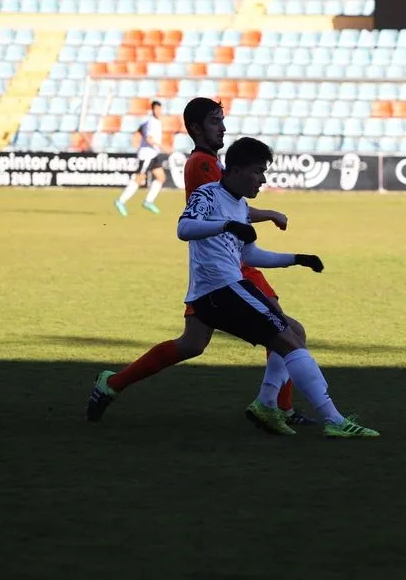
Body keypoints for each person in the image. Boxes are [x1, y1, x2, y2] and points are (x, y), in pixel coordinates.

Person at [87, 98, 314, 425]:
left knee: (193, 343)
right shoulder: (202, 164)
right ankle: (280, 407)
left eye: (222, 120)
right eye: (214, 121)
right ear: (196, 128)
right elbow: (226, 208)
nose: (222, 127)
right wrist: (270, 213)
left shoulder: (209, 162)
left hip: (220, 263)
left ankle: (112, 384)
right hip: (227, 266)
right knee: (285, 330)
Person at [176, 137, 378, 438]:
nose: (263, 179)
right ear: (236, 170)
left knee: (294, 331)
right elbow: (184, 228)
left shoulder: (240, 206)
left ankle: (267, 403)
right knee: (288, 341)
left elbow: (249, 256)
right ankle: (334, 420)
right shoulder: (207, 194)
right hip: (219, 290)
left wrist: (296, 259)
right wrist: (225, 225)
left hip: (224, 291)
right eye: (258, 171)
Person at [115, 100, 168, 216]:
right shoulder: (151, 123)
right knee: (139, 179)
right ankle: (121, 201)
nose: (158, 111)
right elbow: (148, 138)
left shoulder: (155, 122)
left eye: (159, 109)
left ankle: (148, 201)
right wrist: (160, 146)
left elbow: (139, 130)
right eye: (156, 109)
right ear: (152, 110)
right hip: (147, 155)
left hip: (153, 154)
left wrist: (139, 137)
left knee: (161, 177)